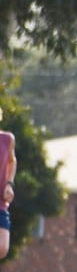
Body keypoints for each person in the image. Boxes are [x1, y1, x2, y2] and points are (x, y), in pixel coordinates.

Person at [0, 108, 17, 259]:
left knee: (3, 248)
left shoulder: (7, 139)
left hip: (1, 200)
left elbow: (12, 161)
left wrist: (9, 184)